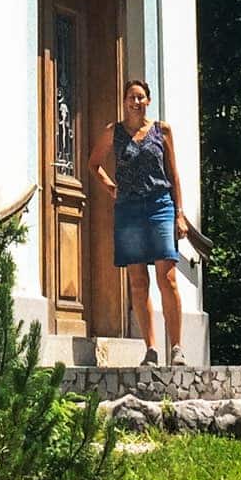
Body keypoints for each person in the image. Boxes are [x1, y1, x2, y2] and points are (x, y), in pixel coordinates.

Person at [88, 79, 191, 367]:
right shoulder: (114, 132)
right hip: (129, 210)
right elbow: (93, 164)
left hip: (160, 204)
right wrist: (111, 188)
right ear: (124, 101)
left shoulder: (162, 130)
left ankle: (177, 347)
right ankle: (151, 349)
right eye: (131, 97)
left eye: (140, 97)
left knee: (166, 277)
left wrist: (179, 213)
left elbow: (174, 173)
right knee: (137, 281)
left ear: (148, 101)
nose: (135, 102)